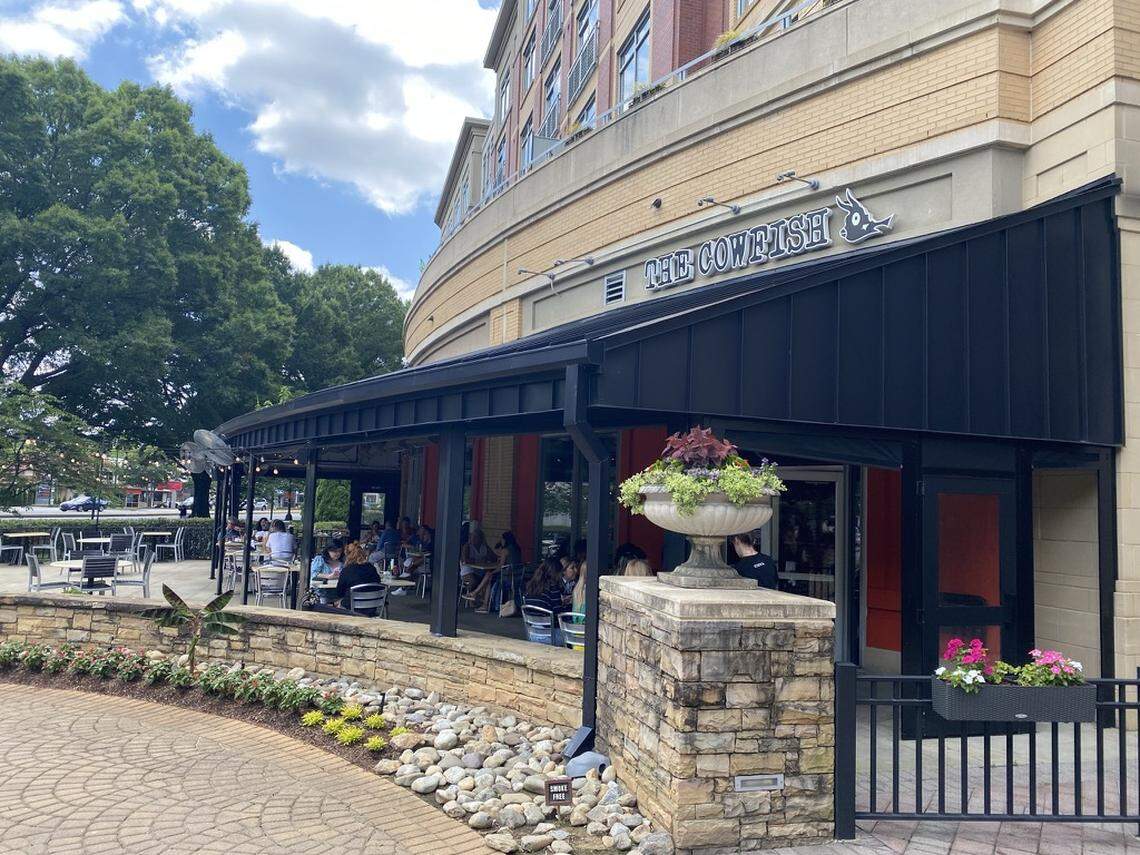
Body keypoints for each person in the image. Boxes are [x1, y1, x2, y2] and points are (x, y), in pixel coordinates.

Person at [335, 542, 382, 613]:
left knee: (338, 603)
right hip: (371, 606)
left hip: (351, 607)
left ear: (347, 555)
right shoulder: (371, 568)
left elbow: (339, 593)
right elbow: (378, 584)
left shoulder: (346, 570)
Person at [459, 526, 495, 593]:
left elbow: (493, 557)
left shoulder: (484, 547)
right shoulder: (467, 546)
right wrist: (480, 560)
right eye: (472, 536)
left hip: (480, 571)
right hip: (467, 571)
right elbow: (465, 560)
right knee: (473, 580)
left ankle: (482, 599)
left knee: (490, 578)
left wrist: (489, 557)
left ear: (480, 538)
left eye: (476, 537)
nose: (473, 539)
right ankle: (470, 598)